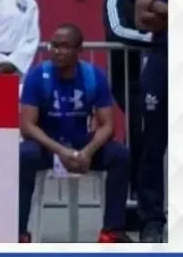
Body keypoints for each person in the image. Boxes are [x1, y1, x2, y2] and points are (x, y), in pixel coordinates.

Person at [18, 24, 133, 243]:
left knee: (120, 155)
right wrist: (62, 151)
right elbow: (28, 126)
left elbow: (108, 125)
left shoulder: (93, 76)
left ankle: (112, 231)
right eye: (53, 45)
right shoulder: (36, 76)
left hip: (81, 143)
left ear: (79, 50)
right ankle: (19, 231)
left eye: (64, 46)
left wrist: (87, 152)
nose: (56, 51)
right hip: (48, 144)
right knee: (24, 155)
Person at [102, 0, 153, 203]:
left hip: (158, 79)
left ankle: (148, 198)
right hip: (128, 81)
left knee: (152, 137)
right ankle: (134, 197)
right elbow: (116, 31)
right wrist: (153, 38)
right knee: (137, 130)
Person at [134, 0, 168, 243]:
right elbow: (142, 18)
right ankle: (152, 220)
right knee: (153, 143)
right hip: (162, 57)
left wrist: (160, 6)